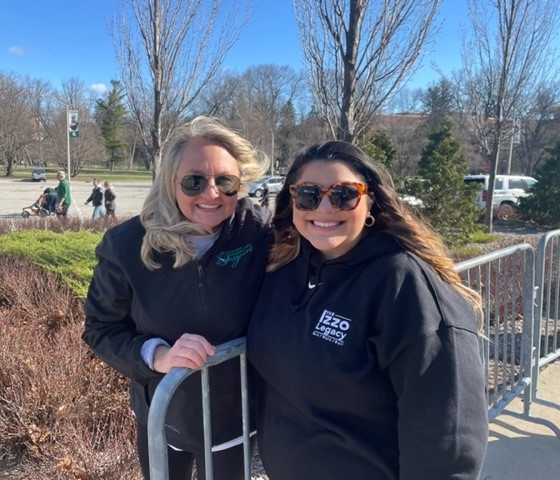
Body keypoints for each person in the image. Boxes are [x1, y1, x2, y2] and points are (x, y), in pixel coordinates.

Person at [247, 140, 489, 480]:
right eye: (308, 194)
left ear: (371, 199)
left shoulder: (406, 287)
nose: (325, 206)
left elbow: (448, 442)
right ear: (292, 201)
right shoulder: (285, 268)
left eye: (344, 194)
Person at [82, 116, 271, 480]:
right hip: (161, 413)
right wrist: (158, 355)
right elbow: (100, 328)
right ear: (171, 181)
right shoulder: (126, 245)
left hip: (235, 417)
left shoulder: (261, 232)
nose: (211, 193)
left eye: (226, 182)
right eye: (194, 181)